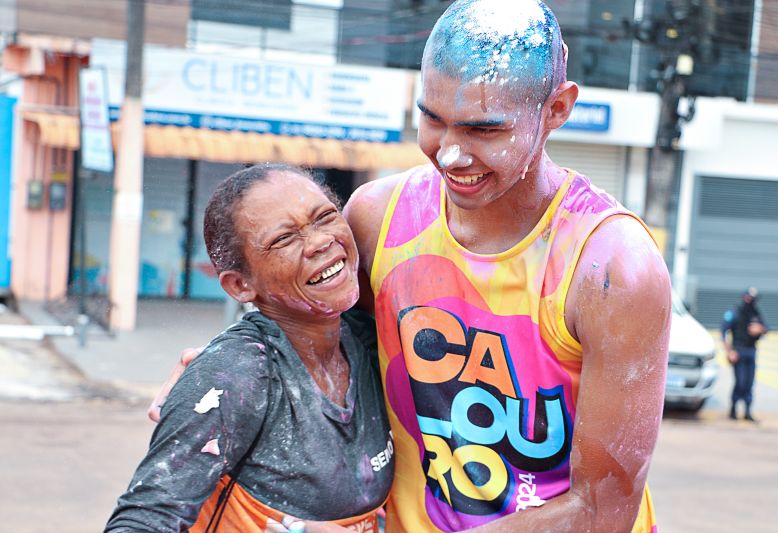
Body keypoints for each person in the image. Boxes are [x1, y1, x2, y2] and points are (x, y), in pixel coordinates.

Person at [153, 1, 671, 531]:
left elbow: (602, 510)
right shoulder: (379, 217)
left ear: (556, 109)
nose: (448, 154)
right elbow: (321, 339)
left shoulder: (611, 267)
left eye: (483, 130)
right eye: (432, 119)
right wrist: (225, 372)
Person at [107, 163, 393, 532]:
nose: (321, 241)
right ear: (240, 285)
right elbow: (140, 523)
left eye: (325, 217)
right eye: (284, 239)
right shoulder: (236, 375)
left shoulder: (371, 343)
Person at [722, 287, 768, 422]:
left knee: (749, 382)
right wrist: (729, 351)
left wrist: (760, 329)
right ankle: (733, 409)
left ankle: (747, 411)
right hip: (738, 351)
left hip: (751, 351)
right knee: (740, 381)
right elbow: (723, 332)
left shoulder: (756, 313)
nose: (750, 301)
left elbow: (766, 328)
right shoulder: (735, 312)